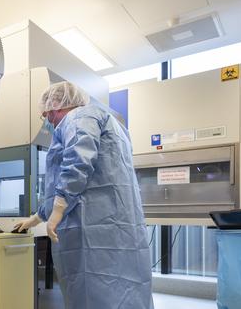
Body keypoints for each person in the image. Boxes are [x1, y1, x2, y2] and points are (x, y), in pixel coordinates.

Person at [14, 81, 153, 309]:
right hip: (117, 227)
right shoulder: (110, 123)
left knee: (94, 289)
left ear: (57, 106)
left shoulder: (78, 118)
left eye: (48, 115)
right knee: (125, 288)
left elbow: (77, 163)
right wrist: (38, 217)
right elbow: (66, 180)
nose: (49, 122)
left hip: (93, 227)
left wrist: (58, 210)